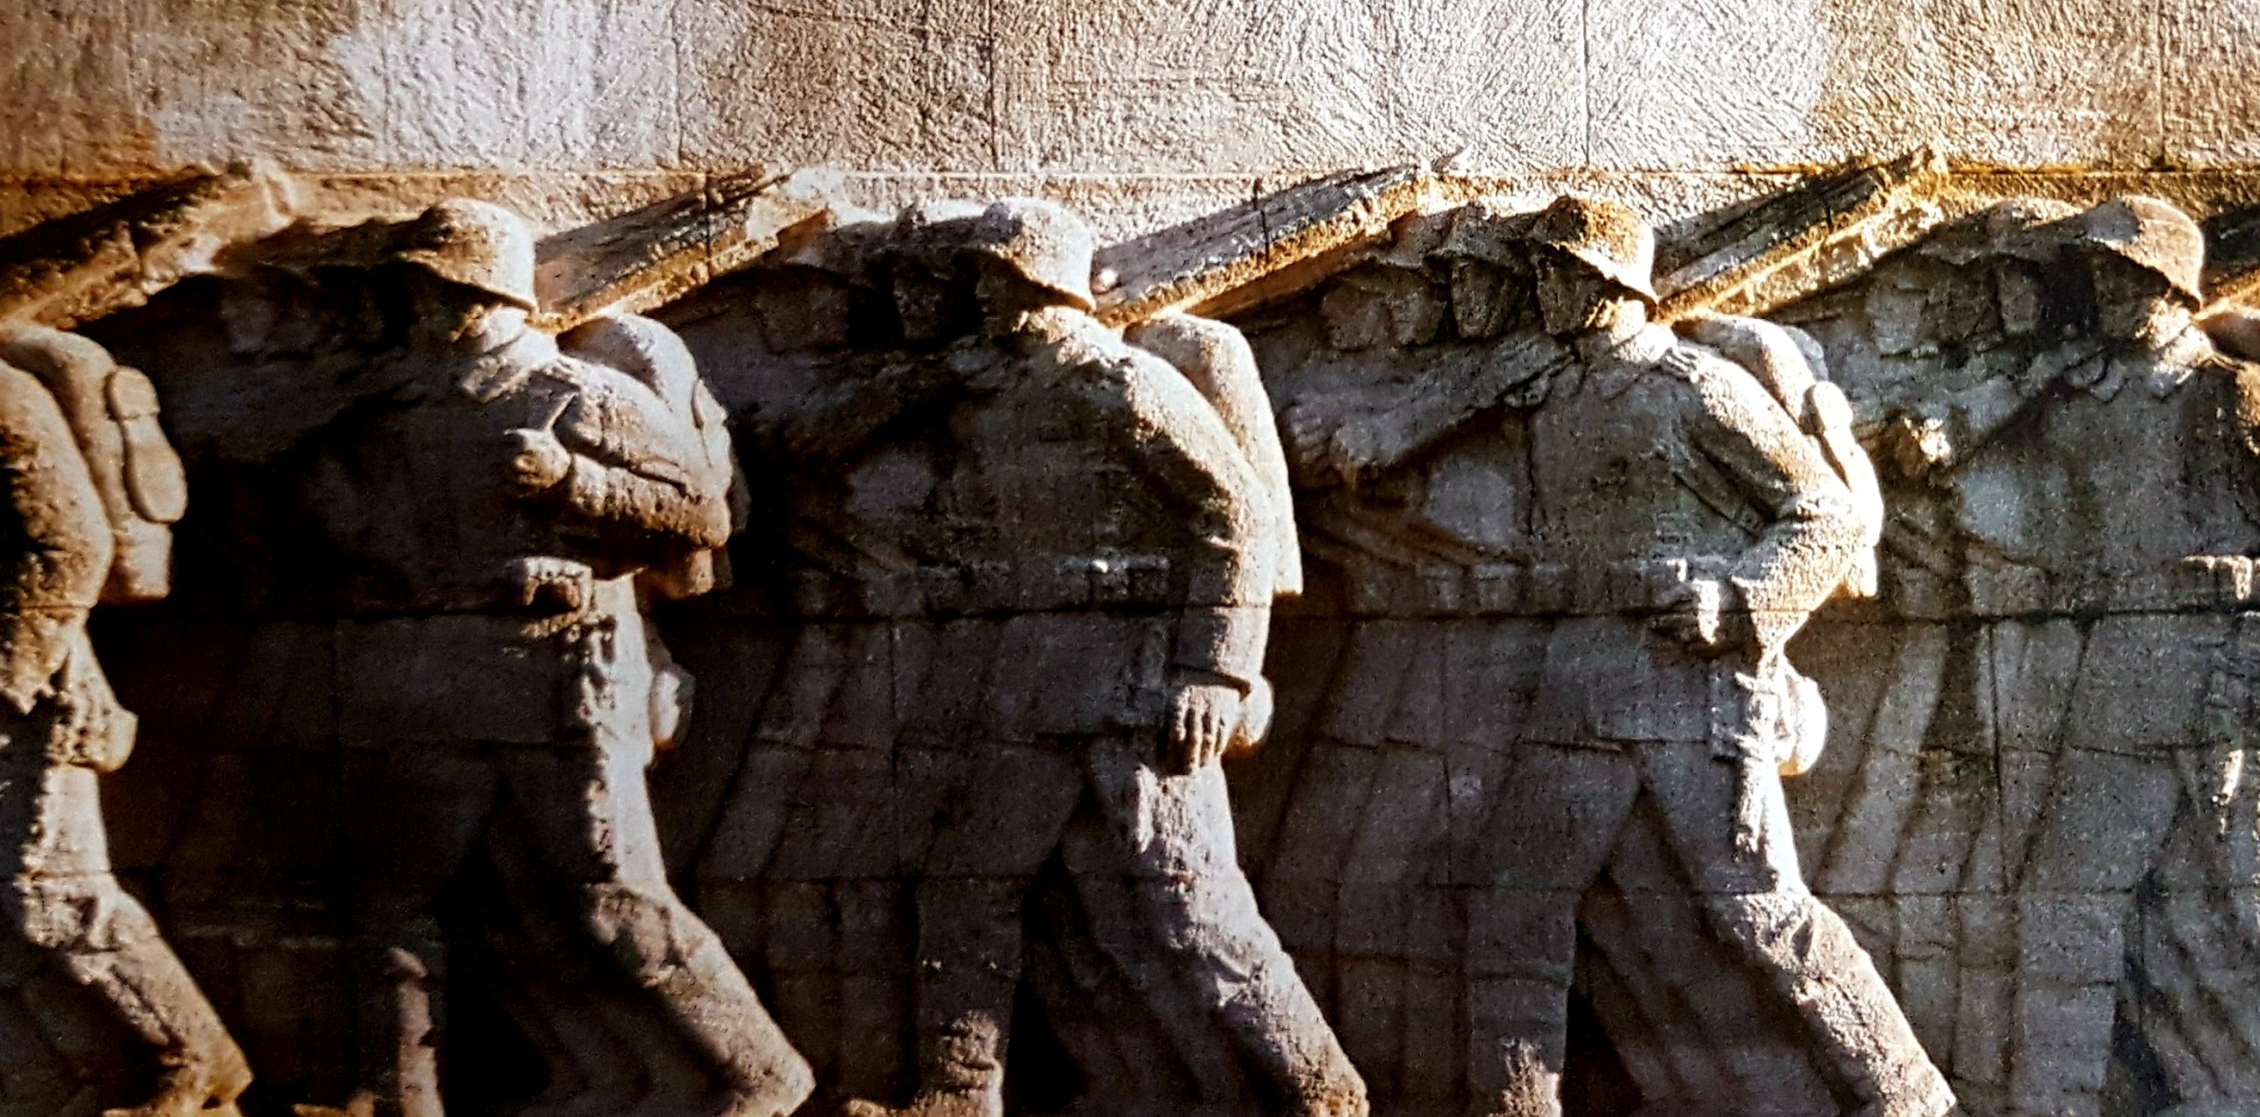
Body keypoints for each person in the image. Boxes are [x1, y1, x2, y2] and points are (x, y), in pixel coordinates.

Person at [1279, 194, 1950, 1117]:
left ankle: (1908, 1097)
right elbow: (1431, 420)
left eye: (1561, 274)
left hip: (1692, 686)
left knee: (1759, 909)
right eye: (1542, 274)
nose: (1544, 291)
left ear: (1609, 287)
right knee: (1511, 903)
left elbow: (1824, 513)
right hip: (1581, 680)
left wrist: (1739, 603)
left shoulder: (1693, 387)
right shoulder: (1546, 383)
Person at [844, 198, 1364, 1117]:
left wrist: (1215, 671)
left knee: (1194, 910)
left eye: (996, 281)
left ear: (1040, 286)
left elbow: (1236, 519)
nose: (982, 298)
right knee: (964, 888)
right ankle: (957, 1092)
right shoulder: (1001, 398)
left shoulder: (1119, 383)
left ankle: (1324, 1092)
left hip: (1136, 688)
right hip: (1029, 682)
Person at [290, 199, 810, 1117]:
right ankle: (397, 1092)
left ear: (488, 295)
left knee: (611, 897)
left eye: (438, 290)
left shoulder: (579, 393)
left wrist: (576, 481)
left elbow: (701, 516)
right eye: (417, 292)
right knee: (387, 900)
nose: (422, 309)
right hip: (433, 679)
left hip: (562, 682)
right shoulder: (401, 406)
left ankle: (760, 1075)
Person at [1947, 196, 2260, 1117]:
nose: (2106, 293)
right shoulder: (2078, 400)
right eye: (2098, 277)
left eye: (2125, 277)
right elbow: (2000, 503)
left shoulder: (2238, 393)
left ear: (2171, 287)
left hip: (2234, 669)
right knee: (2064, 905)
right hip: (2118, 668)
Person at [0, 324, 251, 1116]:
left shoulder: (6, 397)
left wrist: (9, 675)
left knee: (54, 894)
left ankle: (196, 1061)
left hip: (34, 697)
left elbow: (71, 547)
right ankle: (72, 1074)